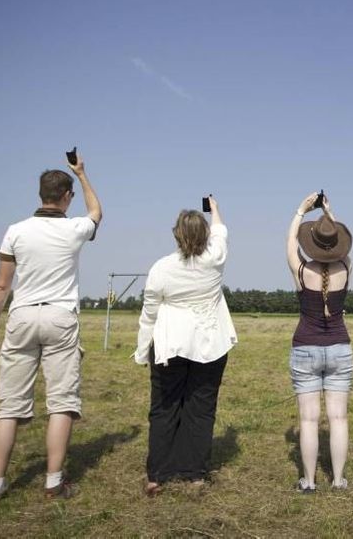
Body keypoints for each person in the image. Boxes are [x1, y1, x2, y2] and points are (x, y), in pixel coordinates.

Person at [0, 153, 102, 500]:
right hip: (61, 317)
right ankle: (53, 482)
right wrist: (82, 174)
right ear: (65, 197)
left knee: (9, 407)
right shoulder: (74, 228)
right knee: (61, 403)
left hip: (21, 316)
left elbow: (1, 285)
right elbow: (96, 213)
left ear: (40, 195)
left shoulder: (15, 231)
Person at [135, 196, 237, 496]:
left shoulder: (161, 269)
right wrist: (215, 208)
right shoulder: (215, 258)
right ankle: (195, 475)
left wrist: (142, 350)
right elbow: (221, 232)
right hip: (210, 344)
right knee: (201, 409)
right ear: (204, 236)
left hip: (170, 345)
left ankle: (157, 475)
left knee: (164, 408)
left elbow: (149, 314)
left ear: (176, 235)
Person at [286, 192, 353, 493]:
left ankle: (310, 481)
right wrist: (330, 214)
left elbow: (289, 245)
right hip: (340, 348)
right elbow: (343, 245)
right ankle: (338, 480)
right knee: (338, 417)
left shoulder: (301, 271)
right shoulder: (346, 268)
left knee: (309, 420)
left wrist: (301, 211)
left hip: (305, 349)